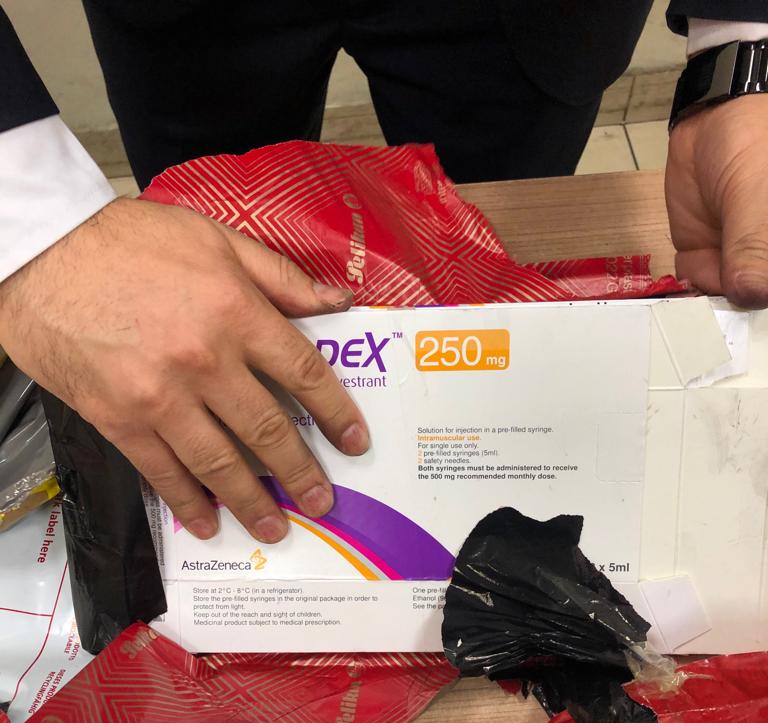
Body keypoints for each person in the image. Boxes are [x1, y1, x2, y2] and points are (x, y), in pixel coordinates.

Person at [0, 1, 766, 546]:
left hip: (523, 16)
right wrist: (32, 224)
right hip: (187, 19)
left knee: (494, 252)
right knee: (193, 291)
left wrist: (743, 47)